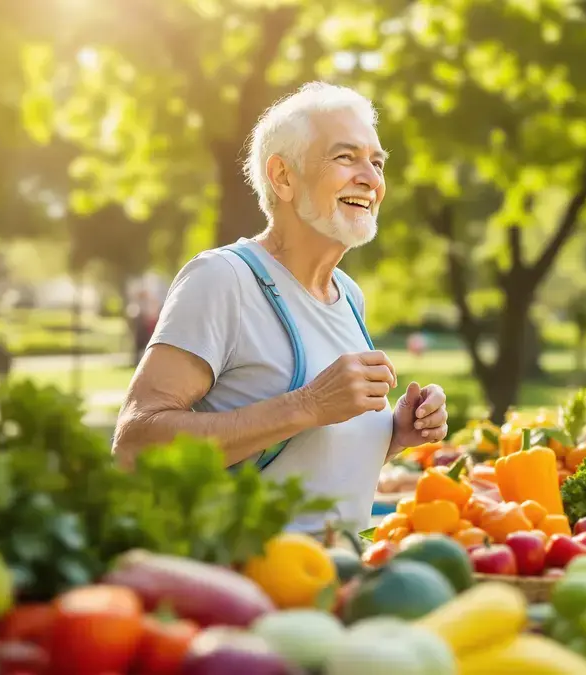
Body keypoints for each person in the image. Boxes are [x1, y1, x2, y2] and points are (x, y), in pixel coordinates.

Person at [111, 82, 449, 533]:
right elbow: (135, 445)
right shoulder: (223, 279)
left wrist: (395, 434)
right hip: (247, 585)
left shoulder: (348, 295)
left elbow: (307, 455)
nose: (371, 178)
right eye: (346, 157)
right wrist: (308, 404)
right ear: (283, 177)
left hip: (336, 580)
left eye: (377, 161)